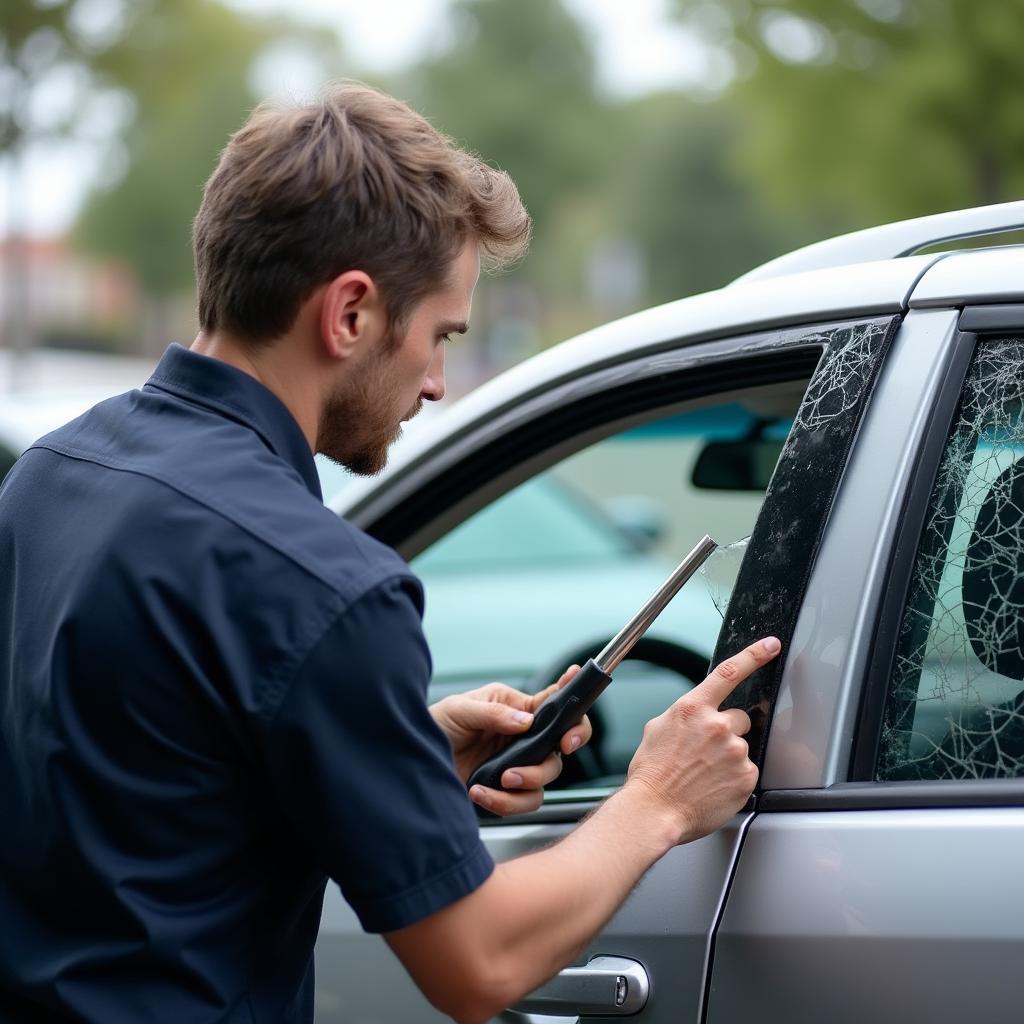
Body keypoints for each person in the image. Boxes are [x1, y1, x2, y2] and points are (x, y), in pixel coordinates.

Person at [0, 82, 778, 1024]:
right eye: (442, 334)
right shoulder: (325, 587)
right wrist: (657, 799)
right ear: (352, 314)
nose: (441, 383)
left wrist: (389, 750)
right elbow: (477, 964)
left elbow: (141, 797)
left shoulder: (49, 474)